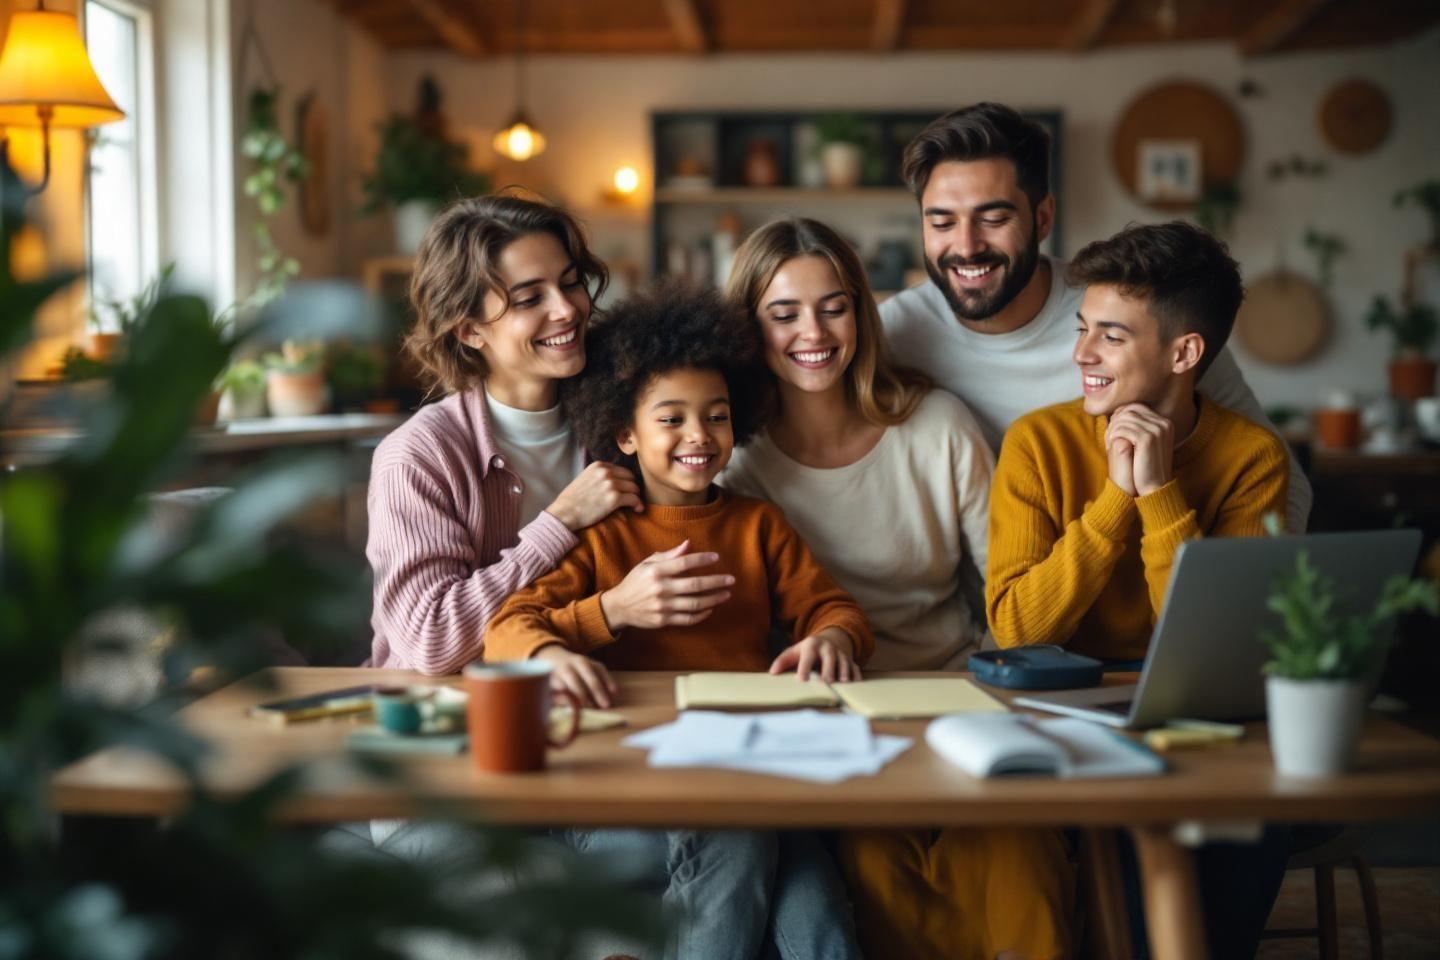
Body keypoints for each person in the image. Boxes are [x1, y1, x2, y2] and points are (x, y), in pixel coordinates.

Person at [363, 195, 771, 959]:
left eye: (572, 281)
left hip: (588, 756)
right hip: (445, 772)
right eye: (529, 298)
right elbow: (430, 641)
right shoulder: (417, 456)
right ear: (470, 330)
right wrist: (558, 523)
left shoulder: (622, 428)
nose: (569, 308)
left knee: (743, 844)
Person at [486, 280, 872, 960]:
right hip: (634, 792)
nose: (699, 436)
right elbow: (509, 627)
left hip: (753, 775)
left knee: (822, 927)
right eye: (671, 419)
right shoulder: (604, 537)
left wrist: (832, 638)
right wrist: (578, 635)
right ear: (624, 433)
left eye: (717, 416)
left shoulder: (758, 525)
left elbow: (831, 607)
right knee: (744, 832)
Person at [721, 217, 1073, 960]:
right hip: (824, 723)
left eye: (834, 306)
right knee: (875, 863)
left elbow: (1010, 596)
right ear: (749, 328)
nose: (813, 332)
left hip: (955, 701)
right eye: (783, 314)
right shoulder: (736, 461)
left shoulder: (937, 425)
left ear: (862, 311)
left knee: (1019, 846)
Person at [986, 220, 1292, 957]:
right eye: (1083, 327)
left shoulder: (1252, 458)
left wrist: (1159, 493)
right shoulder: (1037, 442)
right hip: (1058, 712)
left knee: (1243, 833)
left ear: (1185, 353)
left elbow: (1221, 653)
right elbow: (1019, 631)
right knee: (1127, 854)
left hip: (1199, 721)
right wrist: (1115, 501)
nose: (1081, 354)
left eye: (1111, 336)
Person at [879, 102, 1312, 534]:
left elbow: (1281, 485)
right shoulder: (893, 333)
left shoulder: (1128, 313)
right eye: (941, 223)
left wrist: (1216, 592)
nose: (967, 246)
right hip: (996, 599)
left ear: (1043, 217)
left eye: (993, 219)